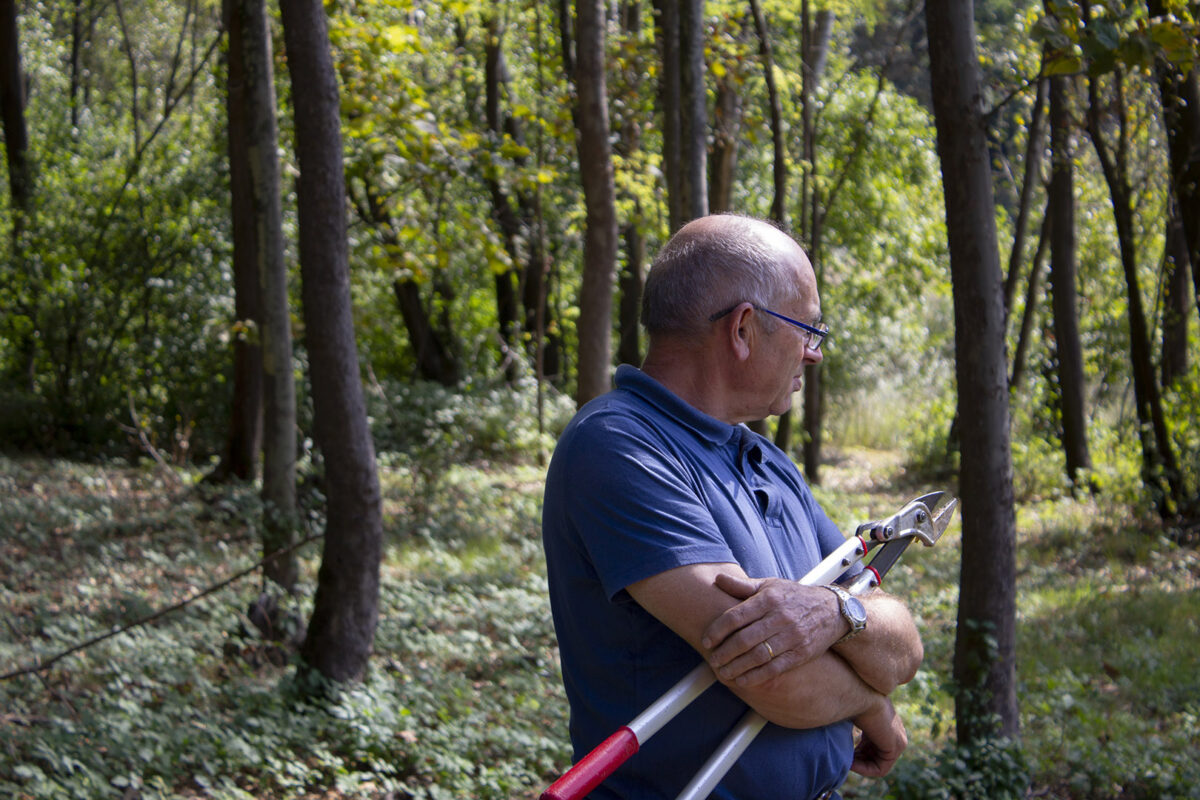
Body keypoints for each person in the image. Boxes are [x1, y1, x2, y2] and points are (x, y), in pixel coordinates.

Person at [541, 214, 924, 800]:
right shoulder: (617, 444)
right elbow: (769, 671)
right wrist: (870, 703)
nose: (814, 354)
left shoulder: (767, 462)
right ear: (744, 328)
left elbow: (903, 645)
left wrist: (836, 613)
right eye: (808, 329)